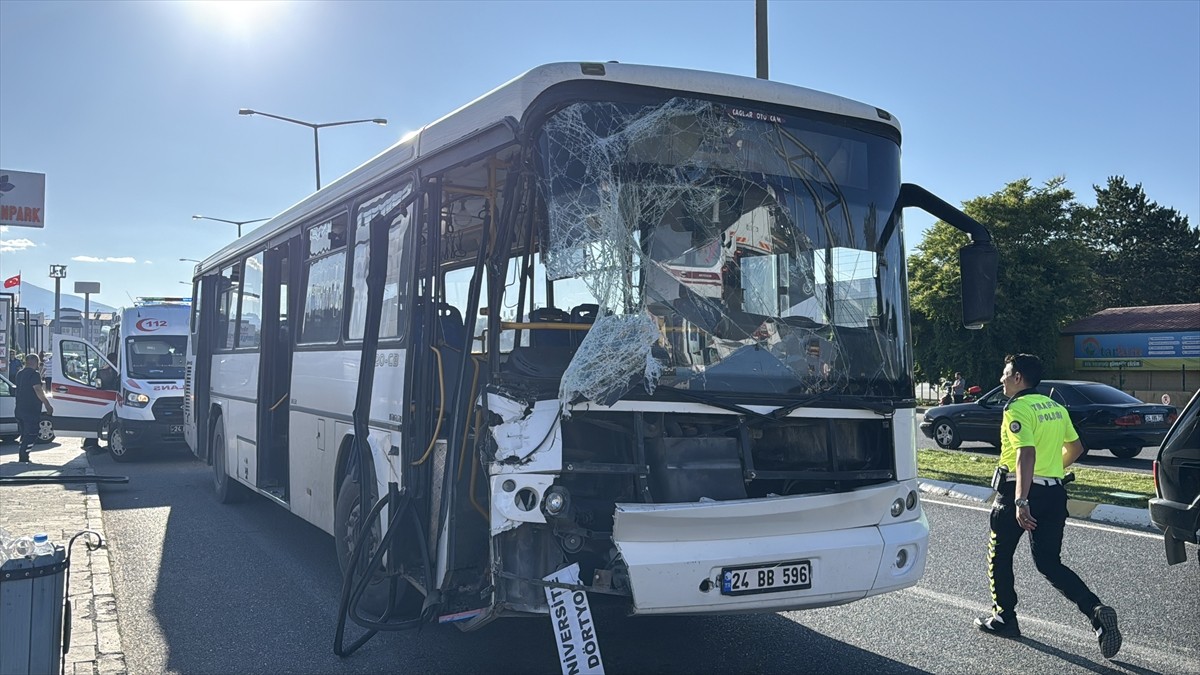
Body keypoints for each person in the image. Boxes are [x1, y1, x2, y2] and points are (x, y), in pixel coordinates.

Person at [975, 353, 1121, 659]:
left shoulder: (1016, 408)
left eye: (1005, 374)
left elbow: (1024, 453)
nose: (1001, 379)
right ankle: (1095, 611)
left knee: (999, 555)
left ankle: (1004, 618)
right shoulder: (1054, 406)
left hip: (1019, 492)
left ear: (1018, 378)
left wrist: (1021, 499)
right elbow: (1077, 447)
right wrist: (1051, 470)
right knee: (1049, 563)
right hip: (1055, 493)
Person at [14, 353, 54, 463]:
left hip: (19, 409)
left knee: (24, 434)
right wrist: (47, 404)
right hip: (30, 409)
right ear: (35, 363)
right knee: (32, 433)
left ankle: (22, 454)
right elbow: (37, 389)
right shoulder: (34, 374)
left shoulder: (20, 373)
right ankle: (24, 456)